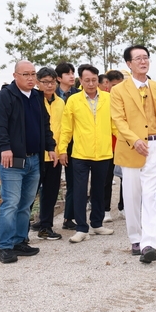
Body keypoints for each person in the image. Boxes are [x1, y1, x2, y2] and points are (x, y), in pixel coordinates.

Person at [0, 60, 57, 263]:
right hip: (13, 160)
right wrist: (5, 148)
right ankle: (5, 247)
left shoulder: (37, 97)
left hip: (34, 159)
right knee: (10, 203)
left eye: (33, 74)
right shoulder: (4, 97)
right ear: (15, 76)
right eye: (26, 74)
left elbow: (45, 125)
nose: (30, 78)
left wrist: (51, 147)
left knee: (25, 204)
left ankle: (20, 241)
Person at [110, 45, 156, 264]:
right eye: (138, 59)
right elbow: (118, 120)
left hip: (154, 146)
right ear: (128, 63)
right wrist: (134, 140)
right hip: (131, 148)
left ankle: (149, 244)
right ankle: (135, 238)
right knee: (133, 196)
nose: (143, 62)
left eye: (146, 58)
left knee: (150, 195)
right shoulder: (118, 90)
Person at [59, 64, 116, 243]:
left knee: (99, 189)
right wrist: (62, 149)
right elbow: (66, 128)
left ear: (98, 80)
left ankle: (97, 224)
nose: (91, 84)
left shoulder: (109, 98)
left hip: (104, 153)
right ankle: (81, 227)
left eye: (94, 80)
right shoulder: (74, 100)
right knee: (79, 191)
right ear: (81, 81)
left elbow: (116, 124)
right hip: (80, 154)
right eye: (87, 80)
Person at [35, 67, 65, 240]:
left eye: (52, 82)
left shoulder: (61, 102)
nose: (49, 85)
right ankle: (22, 232)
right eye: (45, 82)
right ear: (38, 83)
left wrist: (60, 152)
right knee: (30, 195)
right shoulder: (34, 101)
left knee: (51, 193)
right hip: (37, 156)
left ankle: (45, 227)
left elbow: (63, 129)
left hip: (55, 156)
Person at [54, 62, 80, 230]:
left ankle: (69, 217)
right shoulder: (49, 94)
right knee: (49, 184)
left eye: (73, 73)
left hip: (74, 145)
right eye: (67, 73)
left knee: (73, 183)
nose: (72, 76)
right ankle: (43, 220)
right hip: (52, 145)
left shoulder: (79, 94)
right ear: (58, 78)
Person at [100, 70, 125, 223]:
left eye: (120, 85)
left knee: (125, 178)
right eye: (114, 85)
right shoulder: (103, 100)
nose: (117, 88)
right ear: (107, 84)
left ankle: (123, 207)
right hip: (107, 145)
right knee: (106, 179)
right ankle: (105, 209)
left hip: (123, 144)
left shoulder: (126, 99)